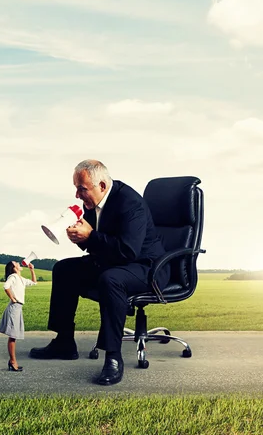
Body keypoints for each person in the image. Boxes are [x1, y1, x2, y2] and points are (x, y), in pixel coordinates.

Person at [30, 159, 170, 386]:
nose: (77, 195)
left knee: (110, 279)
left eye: (81, 189)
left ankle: (113, 357)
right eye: (76, 188)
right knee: (64, 270)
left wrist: (91, 237)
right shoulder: (91, 204)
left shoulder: (130, 203)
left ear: (102, 186)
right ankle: (64, 342)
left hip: (148, 268)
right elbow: (97, 244)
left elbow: (128, 251)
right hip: (115, 262)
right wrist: (81, 239)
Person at [0, 260, 37, 371]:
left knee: (13, 336)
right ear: (14, 267)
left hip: (18, 308)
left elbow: (34, 282)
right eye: (16, 263)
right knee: (13, 336)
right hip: (14, 308)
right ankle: (13, 361)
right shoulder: (13, 277)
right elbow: (6, 286)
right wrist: (12, 298)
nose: (19, 264)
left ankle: (12, 361)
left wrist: (32, 270)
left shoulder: (20, 279)